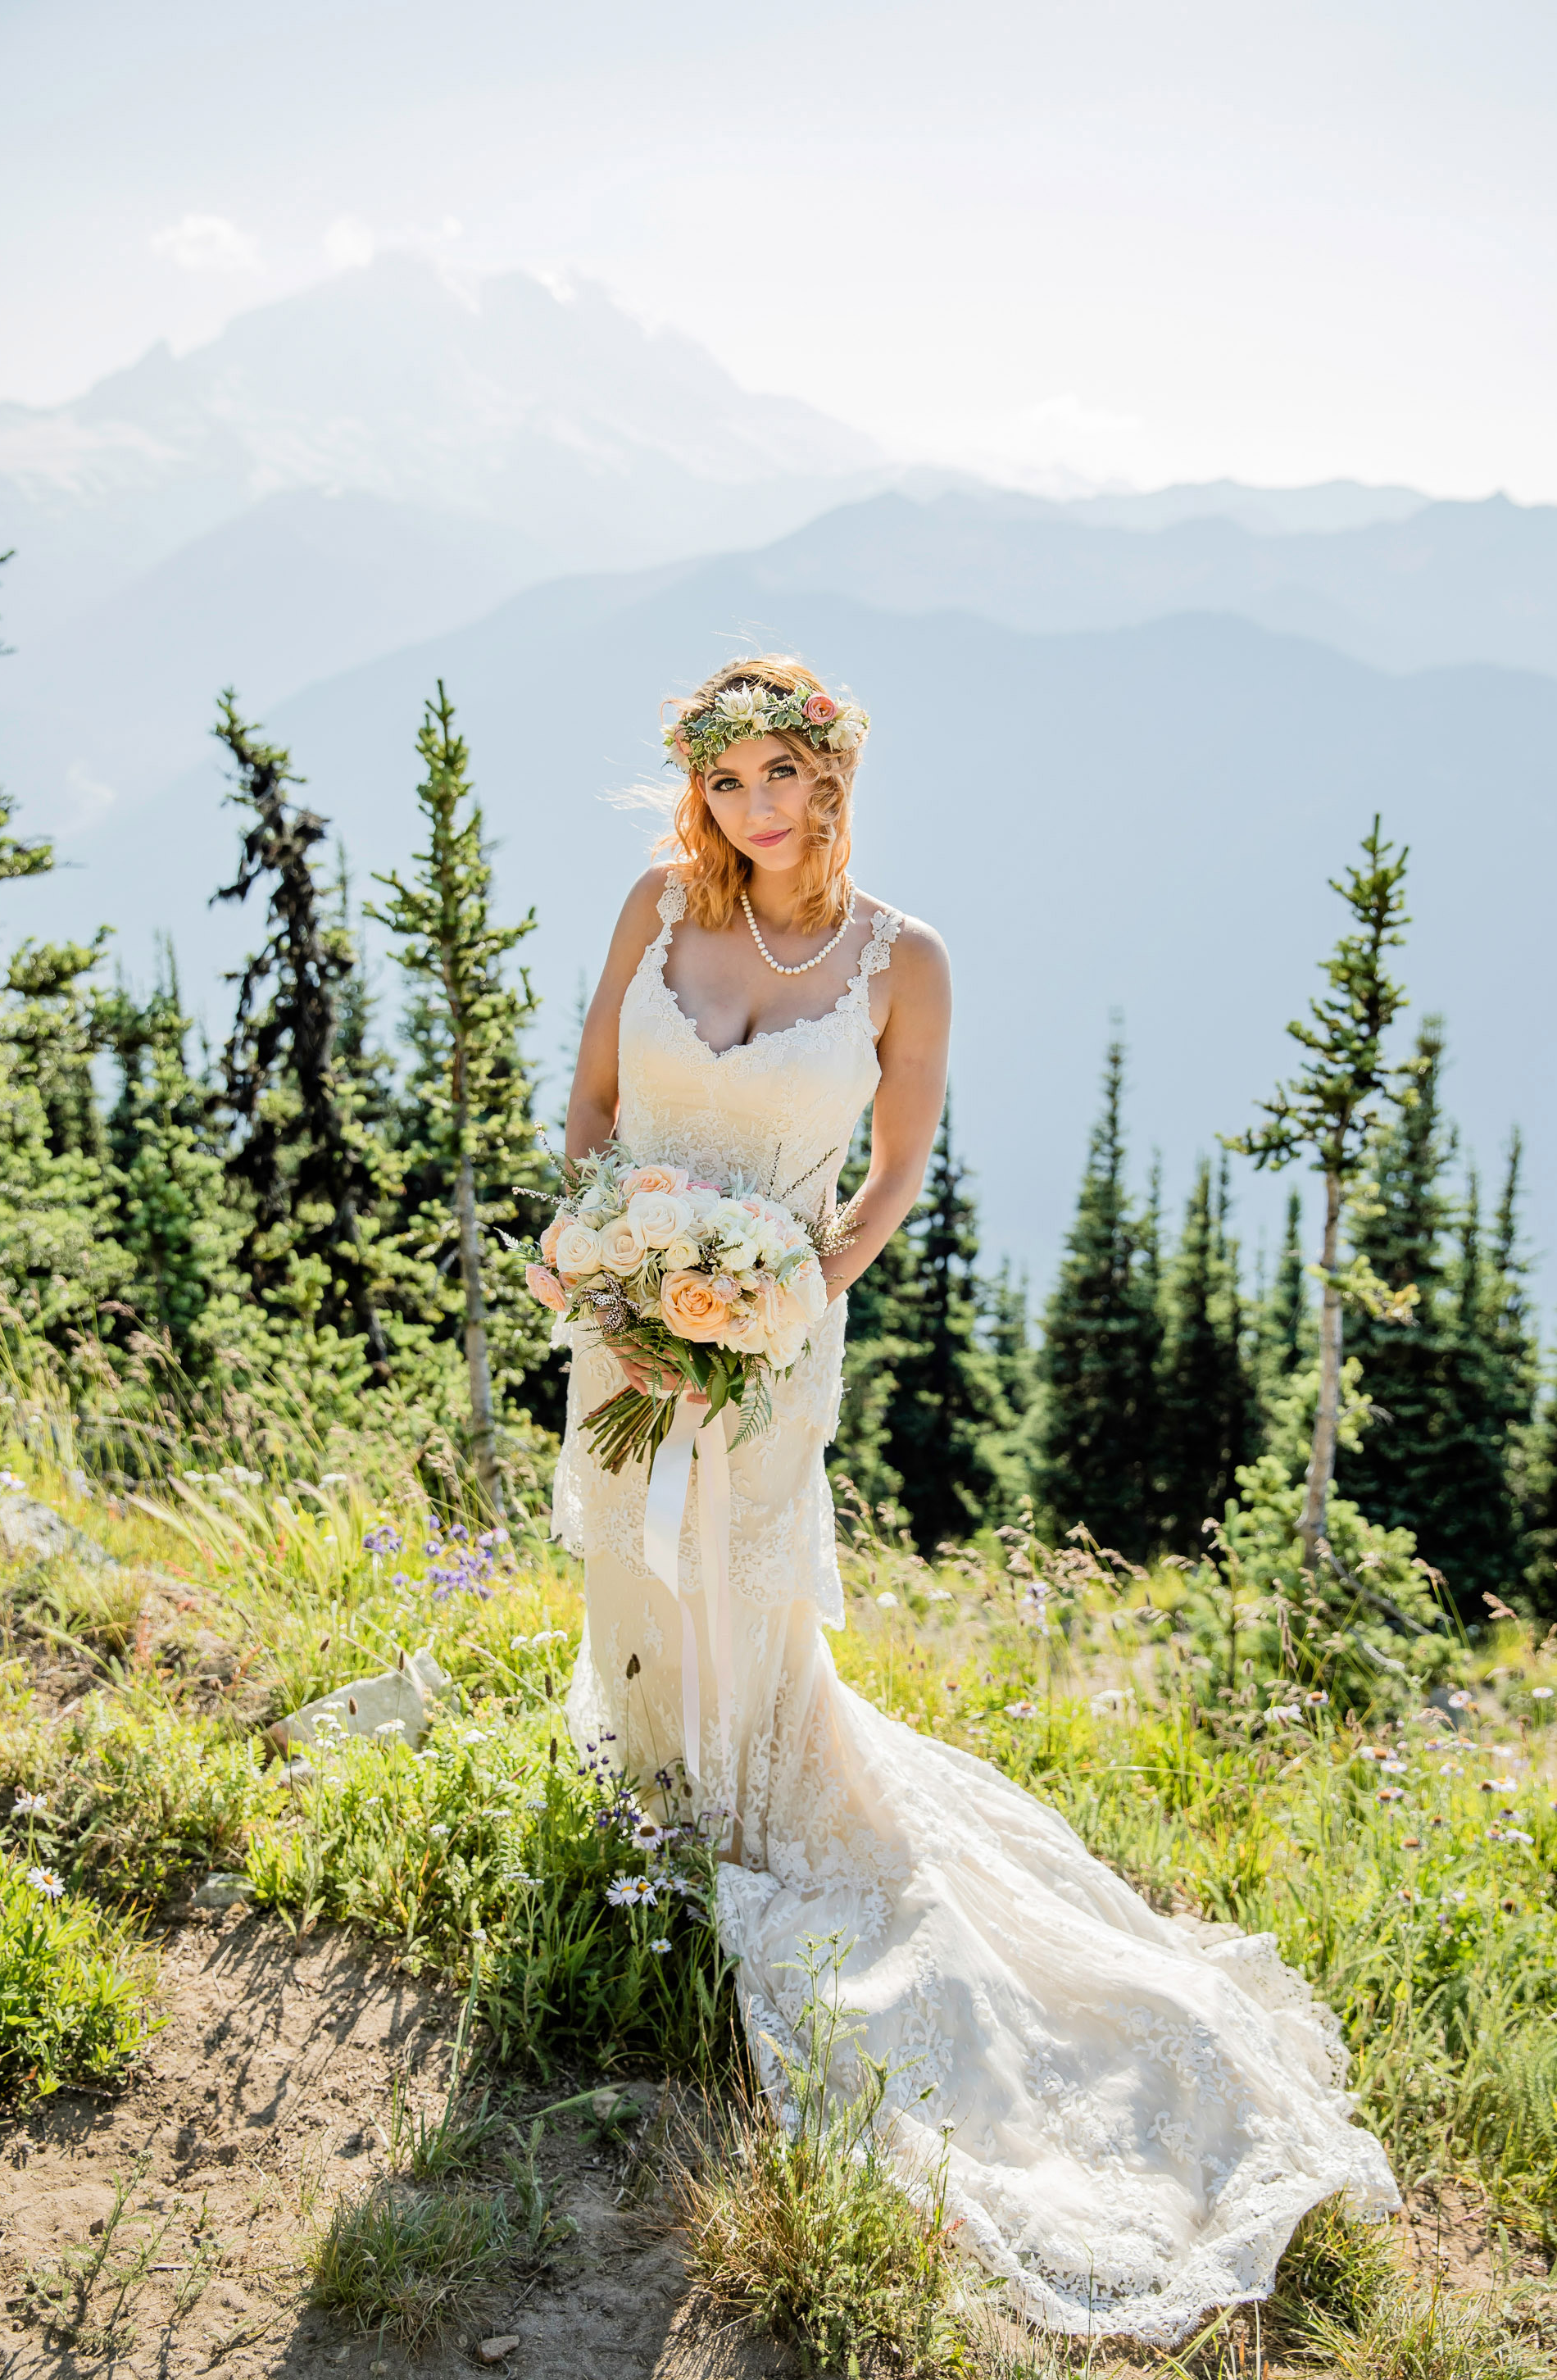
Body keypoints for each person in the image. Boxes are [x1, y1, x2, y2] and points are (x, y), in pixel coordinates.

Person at [554, 653, 1396, 2346]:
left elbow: (892, 1176)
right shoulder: (654, 904)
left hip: (772, 1339)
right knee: (629, 1570)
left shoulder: (899, 957)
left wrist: (785, 1298)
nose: (753, 810)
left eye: (780, 776)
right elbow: (589, 1107)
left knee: (740, 1576)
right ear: (697, 791)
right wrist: (612, 1284)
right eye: (727, 783)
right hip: (624, 1319)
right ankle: (645, 1810)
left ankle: (733, 1824)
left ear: (834, 780)